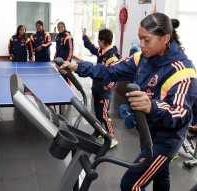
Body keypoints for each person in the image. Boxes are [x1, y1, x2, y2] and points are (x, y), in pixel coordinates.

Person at [59, 13, 197, 191]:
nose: (141, 44)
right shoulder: (142, 58)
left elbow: (181, 112)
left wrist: (151, 106)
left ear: (165, 39)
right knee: (161, 174)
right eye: (140, 39)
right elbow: (110, 71)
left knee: (131, 184)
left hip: (166, 139)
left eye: (147, 40)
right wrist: (78, 67)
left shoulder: (183, 72)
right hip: (148, 131)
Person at [82, 28, 120, 147]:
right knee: (98, 114)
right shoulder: (101, 50)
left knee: (104, 115)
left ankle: (111, 137)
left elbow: (116, 77)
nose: (97, 42)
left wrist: (106, 87)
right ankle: (99, 131)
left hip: (104, 91)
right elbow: (91, 47)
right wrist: (84, 37)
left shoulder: (113, 57)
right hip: (96, 88)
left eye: (99, 40)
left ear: (104, 41)